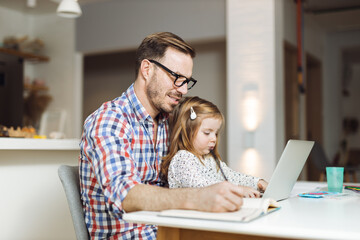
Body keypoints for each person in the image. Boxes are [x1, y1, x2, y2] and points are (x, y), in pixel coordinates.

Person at [80, 32, 247, 239]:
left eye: (187, 81)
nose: (183, 89)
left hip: (169, 230)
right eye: (177, 77)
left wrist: (241, 186)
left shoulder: (170, 122)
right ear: (147, 69)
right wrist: (197, 198)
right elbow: (125, 194)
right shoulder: (109, 120)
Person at [161, 96, 268, 196]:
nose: (214, 139)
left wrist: (257, 182)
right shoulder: (182, 159)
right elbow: (202, 185)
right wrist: (238, 190)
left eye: (216, 133)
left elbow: (232, 177)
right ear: (186, 131)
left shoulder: (209, 160)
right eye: (207, 133)